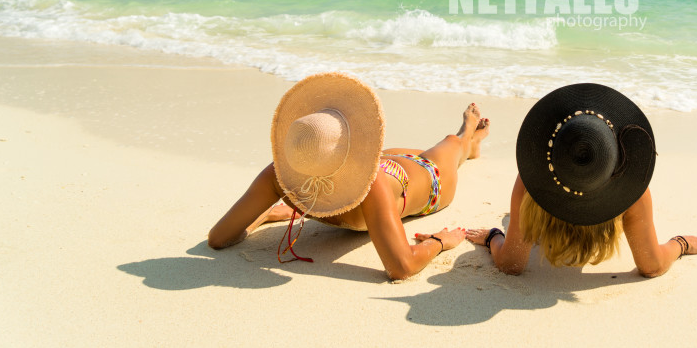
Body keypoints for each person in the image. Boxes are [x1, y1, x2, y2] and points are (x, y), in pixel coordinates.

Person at [208, 72, 488, 280]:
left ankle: (468, 135)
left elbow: (220, 237)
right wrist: (439, 242)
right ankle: (467, 139)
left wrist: (263, 212)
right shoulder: (368, 184)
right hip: (419, 175)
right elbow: (402, 267)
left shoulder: (280, 176)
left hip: (421, 176)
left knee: (452, 144)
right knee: (447, 148)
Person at [467, 83, 697, 278]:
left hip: (548, 225)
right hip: (601, 233)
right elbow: (652, 265)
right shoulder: (632, 191)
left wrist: (493, 238)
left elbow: (511, 264)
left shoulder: (530, 181)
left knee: (513, 218)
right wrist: (681, 244)